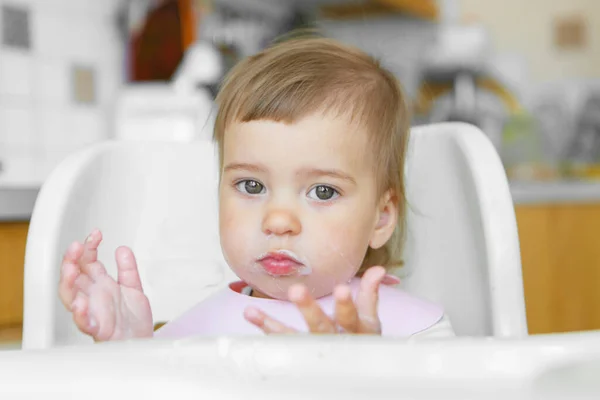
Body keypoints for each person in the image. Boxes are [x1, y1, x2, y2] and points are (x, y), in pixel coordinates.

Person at [58, 36, 455, 341]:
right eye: (251, 185)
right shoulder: (198, 330)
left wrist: (378, 376)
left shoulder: (418, 333)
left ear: (381, 217)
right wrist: (133, 350)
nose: (277, 220)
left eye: (322, 191)